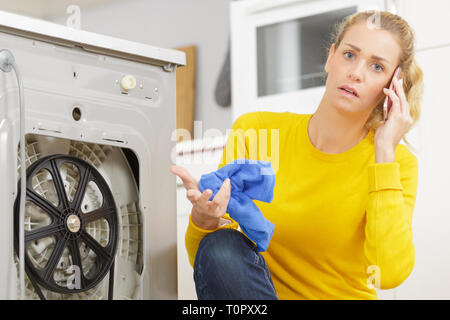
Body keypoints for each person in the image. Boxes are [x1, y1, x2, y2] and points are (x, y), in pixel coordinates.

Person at [170, 10, 423, 300]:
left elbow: (389, 273)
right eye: (350, 55)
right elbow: (215, 268)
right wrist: (204, 219)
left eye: (377, 67)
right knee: (222, 246)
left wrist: (384, 152)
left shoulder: (396, 162)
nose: (356, 72)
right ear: (331, 57)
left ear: (394, 86)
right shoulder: (256, 131)